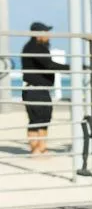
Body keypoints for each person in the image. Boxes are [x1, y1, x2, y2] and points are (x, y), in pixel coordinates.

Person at [20, 22, 68, 155]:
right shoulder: (33, 48)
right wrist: (71, 67)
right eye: (45, 32)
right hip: (34, 89)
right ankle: (35, 148)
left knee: (45, 117)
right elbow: (49, 65)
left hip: (41, 89)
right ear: (37, 34)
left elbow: (48, 65)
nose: (48, 35)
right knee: (36, 118)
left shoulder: (38, 47)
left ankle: (42, 146)